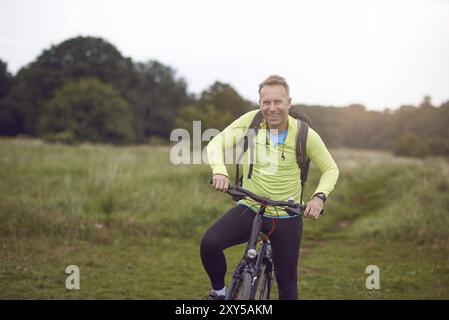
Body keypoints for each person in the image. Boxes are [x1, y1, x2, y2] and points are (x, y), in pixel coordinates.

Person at [201, 75, 339, 300]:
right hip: (251, 206)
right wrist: (219, 170)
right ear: (260, 103)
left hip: (287, 214)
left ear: (289, 103)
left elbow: (331, 169)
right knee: (209, 243)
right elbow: (216, 143)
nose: (272, 108)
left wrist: (318, 198)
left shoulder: (305, 134)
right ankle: (219, 292)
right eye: (266, 102)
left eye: (278, 102)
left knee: (287, 284)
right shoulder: (251, 121)